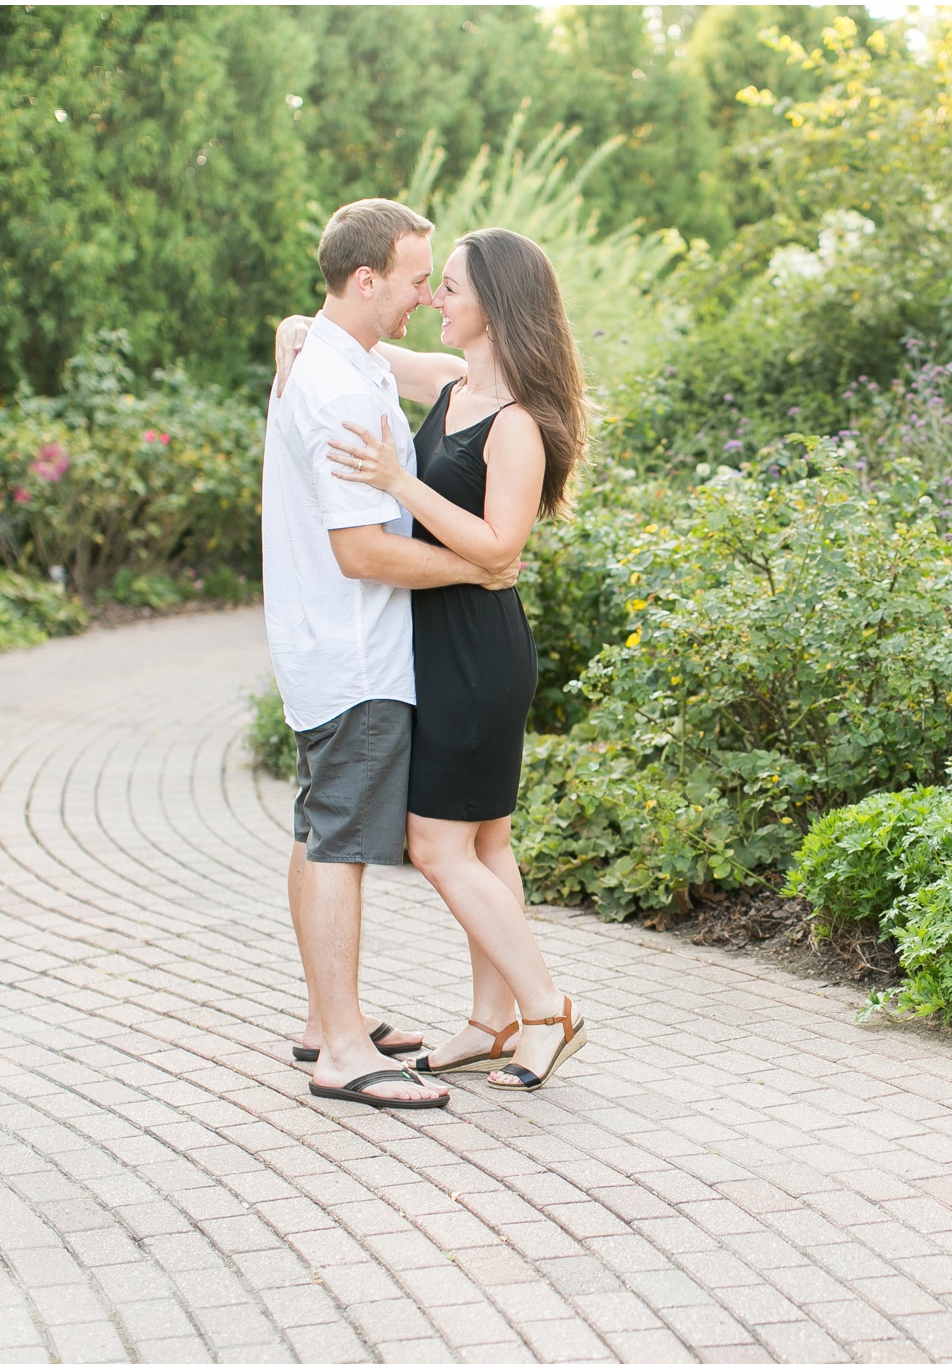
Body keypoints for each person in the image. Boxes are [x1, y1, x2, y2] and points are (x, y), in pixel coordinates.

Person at [275, 227, 588, 1093]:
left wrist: (399, 483)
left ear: (494, 304)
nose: (432, 301)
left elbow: (499, 545)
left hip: (478, 648)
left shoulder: (519, 422)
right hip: (436, 638)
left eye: (448, 288)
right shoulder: (452, 383)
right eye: (431, 285)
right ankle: (491, 1018)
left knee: (438, 842)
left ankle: (546, 1007)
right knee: (487, 840)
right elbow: (357, 342)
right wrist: (297, 326)